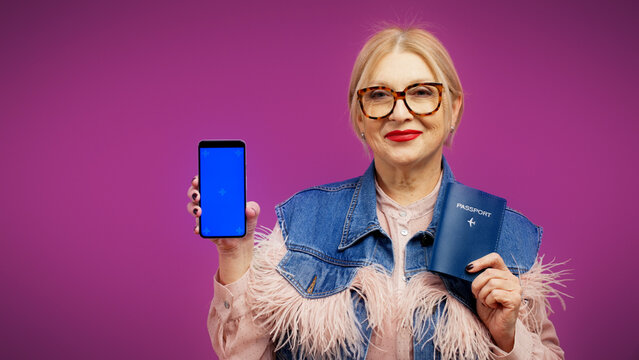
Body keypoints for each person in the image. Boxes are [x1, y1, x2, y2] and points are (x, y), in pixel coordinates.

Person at [186, 25, 566, 360]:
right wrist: (233, 253)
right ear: (359, 115)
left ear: (453, 107)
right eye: (380, 96)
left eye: (421, 92)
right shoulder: (302, 222)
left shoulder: (506, 235)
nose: (400, 113)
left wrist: (507, 338)